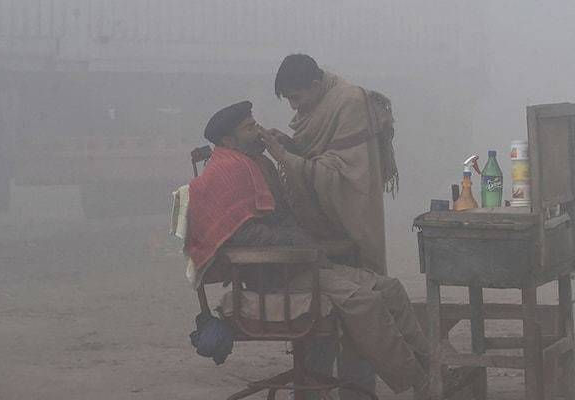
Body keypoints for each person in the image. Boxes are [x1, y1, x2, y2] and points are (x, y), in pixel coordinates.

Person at [185, 101, 446, 399]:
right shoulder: (228, 170)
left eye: (255, 123)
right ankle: (419, 381)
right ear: (228, 141)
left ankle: (434, 369)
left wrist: (286, 154)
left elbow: (285, 210)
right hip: (275, 274)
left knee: (390, 289)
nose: (257, 130)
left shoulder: (257, 163)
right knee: (366, 301)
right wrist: (302, 243)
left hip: (300, 264)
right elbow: (247, 235)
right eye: (248, 128)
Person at [260, 53, 398, 398]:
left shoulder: (350, 102)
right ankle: (313, 389)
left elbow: (341, 175)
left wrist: (284, 157)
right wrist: (292, 147)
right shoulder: (322, 104)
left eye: (296, 98)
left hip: (351, 220)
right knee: (323, 311)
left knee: (361, 309)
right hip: (321, 228)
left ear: (316, 86)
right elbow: (316, 156)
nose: (294, 109)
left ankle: (356, 391)